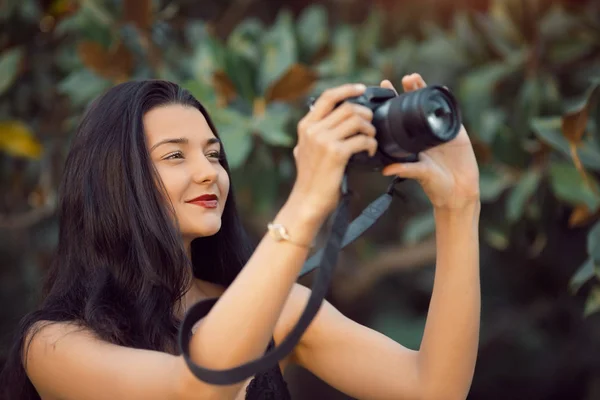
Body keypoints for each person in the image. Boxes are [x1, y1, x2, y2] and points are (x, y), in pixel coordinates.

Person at [0, 73, 481, 400]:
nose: (209, 173)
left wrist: (460, 207)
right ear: (114, 181)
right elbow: (201, 387)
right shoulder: (52, 346)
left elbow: (433, 387)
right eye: (175, 156)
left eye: (213, 154)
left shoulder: (277, 311)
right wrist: (308, 199)